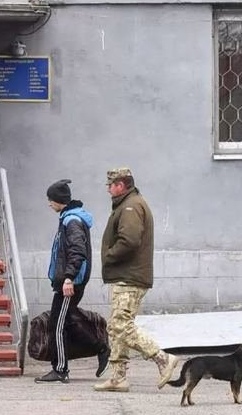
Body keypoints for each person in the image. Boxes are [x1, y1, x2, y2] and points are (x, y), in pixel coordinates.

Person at [94, 168, 178, 393]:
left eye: (110, 185)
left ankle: (162, 358)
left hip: (129, 277)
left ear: (120, 185)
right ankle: (118, 378)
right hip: (127, 275)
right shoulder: (128, 204)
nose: (108, 189)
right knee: (116, 327)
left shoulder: (131, 206)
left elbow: (129, 240)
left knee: (121, 325)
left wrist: (109, 256)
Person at [35, 179, 109, 383]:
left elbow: (77, 251)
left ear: (59, 200)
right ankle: (101, 348)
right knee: (65, 322)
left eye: (50, 199)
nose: (49, 203)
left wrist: (68, 278)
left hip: (70, 283)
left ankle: (60, 370)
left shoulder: (72, 221)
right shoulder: (69, 218)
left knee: (57, 325)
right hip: (68, 281)